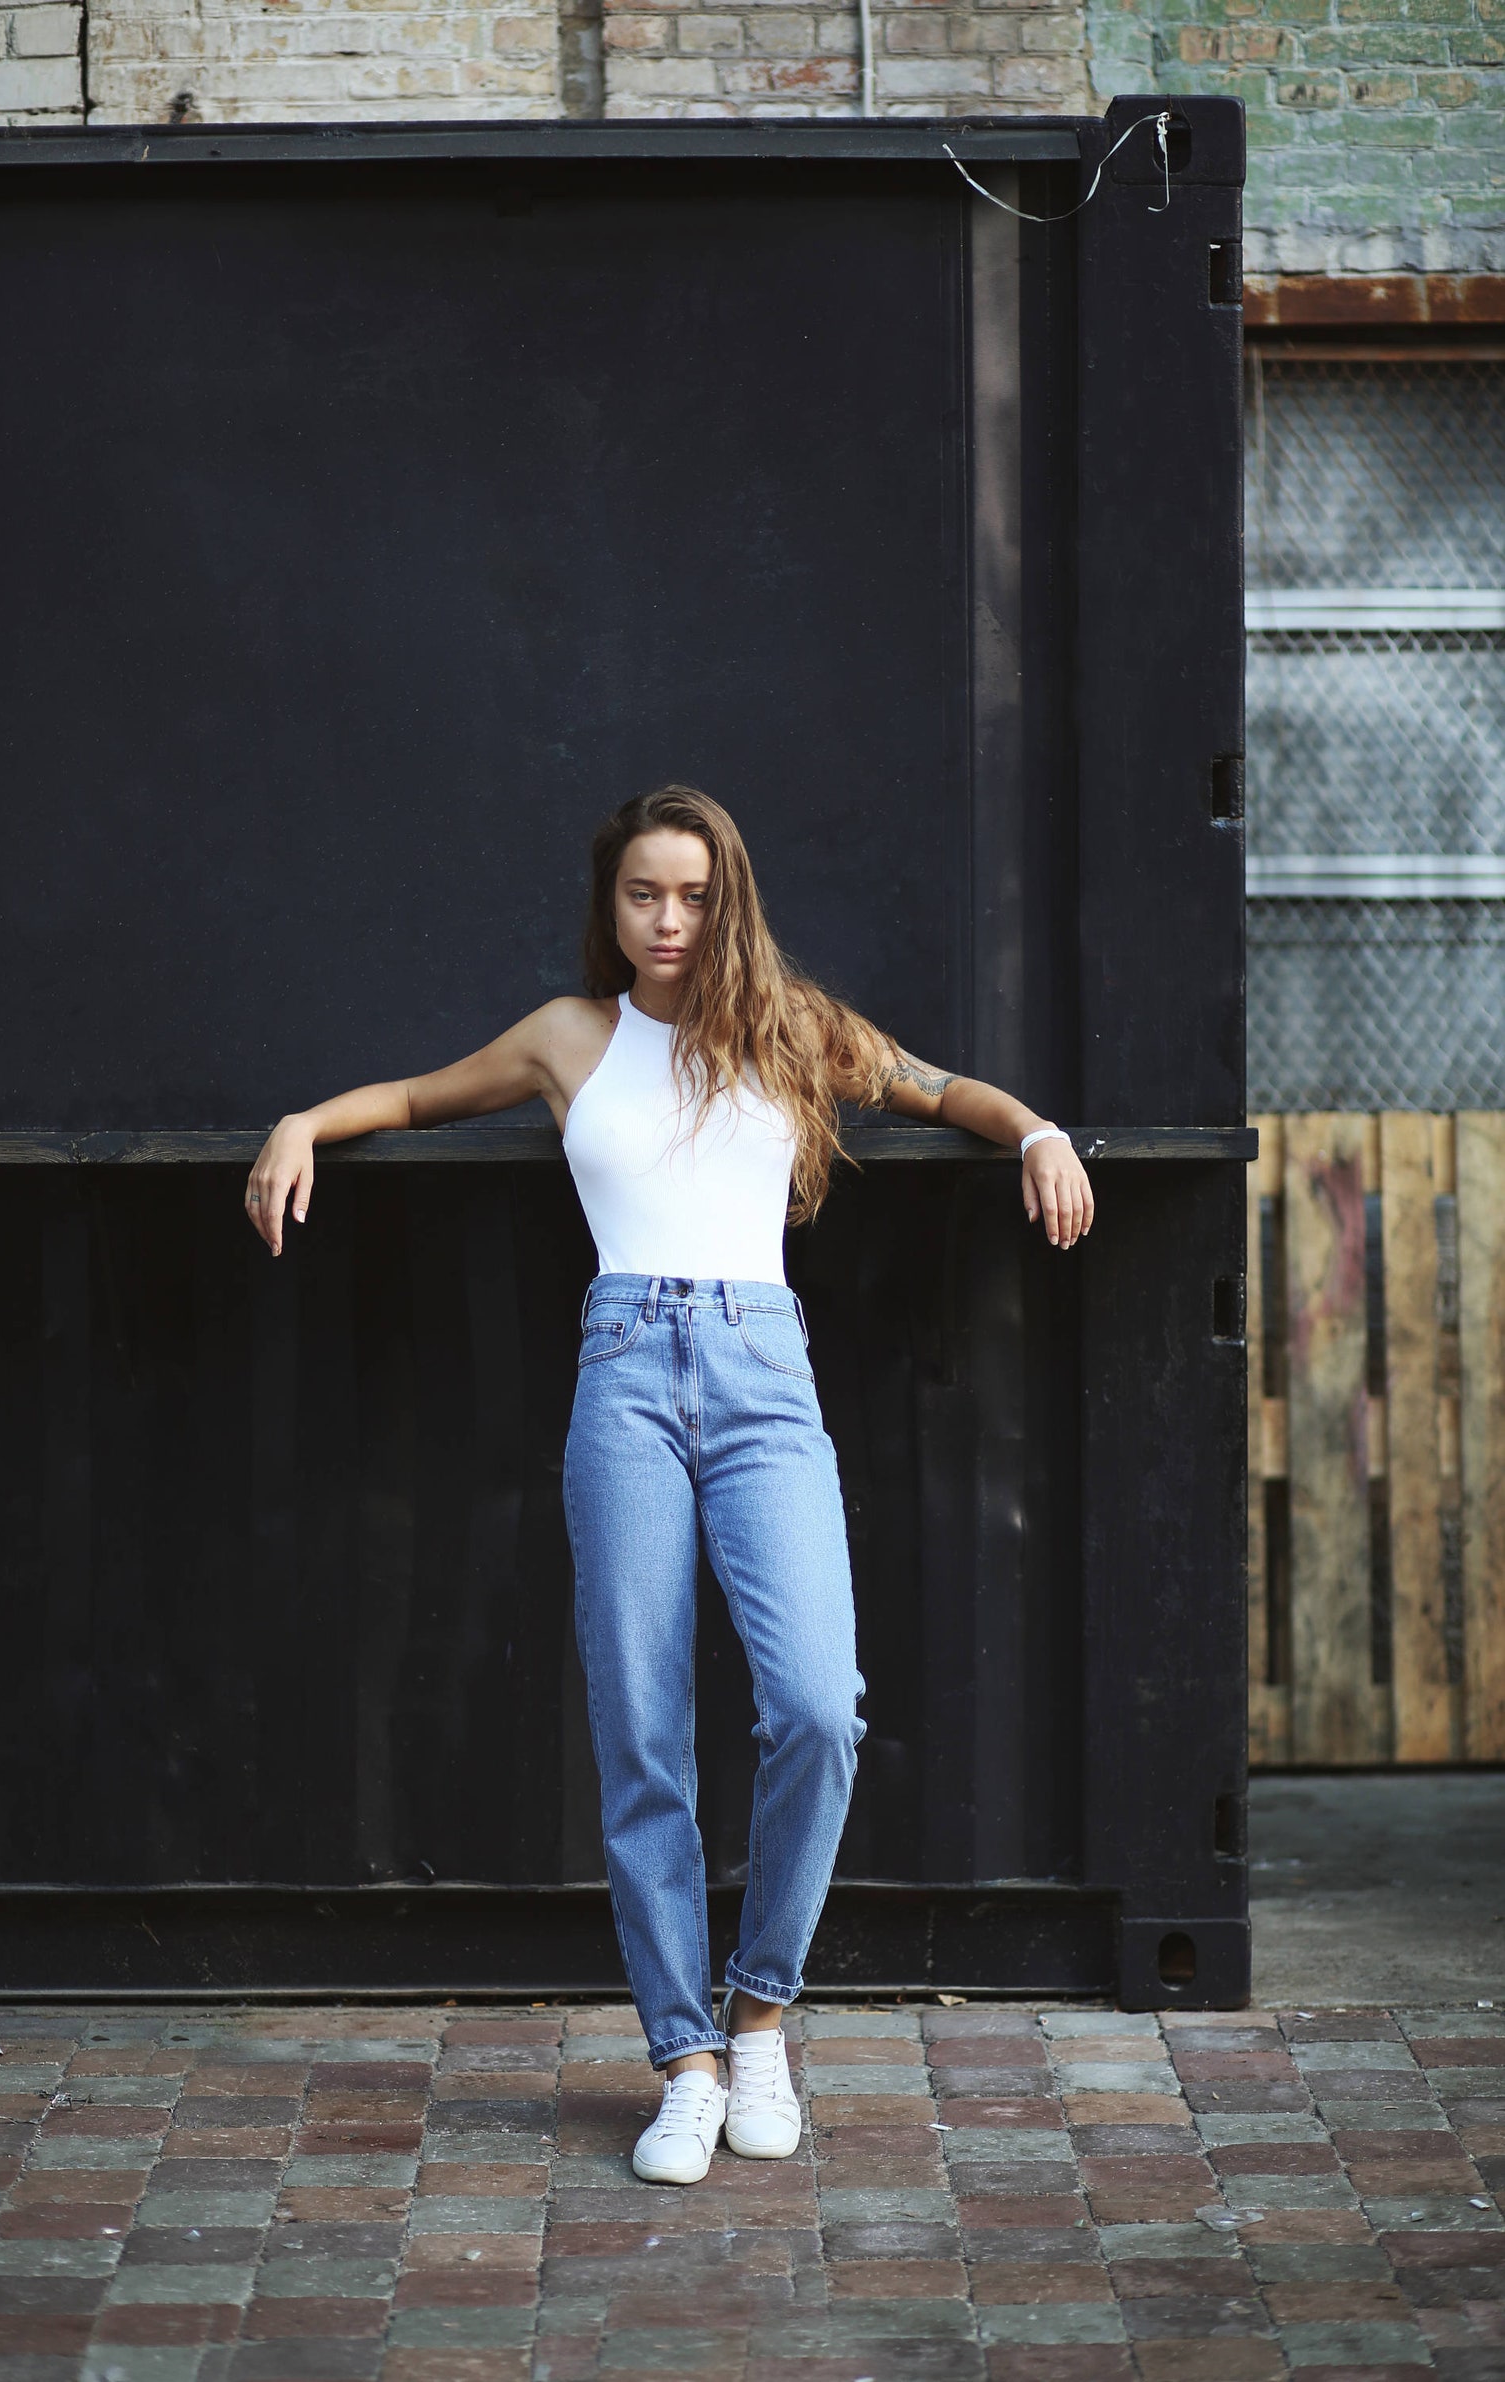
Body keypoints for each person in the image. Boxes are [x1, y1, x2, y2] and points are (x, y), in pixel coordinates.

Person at [245, 783, 1093, 2187]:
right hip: (625, 1369)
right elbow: (410, 1096)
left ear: (728, 899)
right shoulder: (568, 1036)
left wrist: (1042, 1133)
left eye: (695, 895)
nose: (670, 920)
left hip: (763, 1371)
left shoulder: (791, 1026)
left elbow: (943, 1090)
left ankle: (760, 2017)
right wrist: (301, 1122)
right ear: (612, 901)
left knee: (817, 1706)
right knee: (642, 1729)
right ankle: (684, 2061)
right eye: (644, 893)